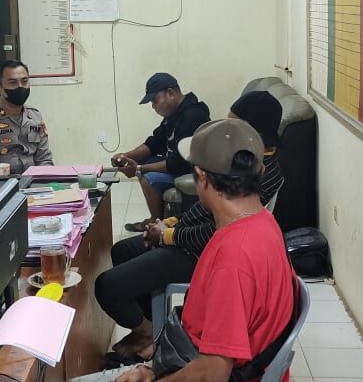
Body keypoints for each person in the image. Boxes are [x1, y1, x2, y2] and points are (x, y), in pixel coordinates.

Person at [96, 91, 284, 364]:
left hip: (199, 252)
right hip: (194, 242)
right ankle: (149, 329)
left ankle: (149, 334)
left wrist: (167, 236)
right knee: (123, 250)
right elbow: (210, 211)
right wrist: (171, 224)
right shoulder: (240, 163)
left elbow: (214, 232)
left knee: (107, 286)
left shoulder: (256, 176)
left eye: (233, 125)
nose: (226, 131)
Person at [113, 73, 210, 229]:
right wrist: (126, 156)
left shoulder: (193, 115)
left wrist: (139, 168)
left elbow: (179, 162)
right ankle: (158, 218)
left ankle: (156, 223)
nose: (153, 106)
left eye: (155, 100)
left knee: (148, 178)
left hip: (191, 170)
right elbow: (154, 143)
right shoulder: (173, 115)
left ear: (170, 93)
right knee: (142, 162)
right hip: (177, 164)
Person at [0, 59, 53, 178]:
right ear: (0, 88)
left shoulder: (35, 116)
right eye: (13, 82)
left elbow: (44, 159)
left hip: (33, 184)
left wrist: (45, 181)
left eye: (24, 81)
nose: (20, 87)